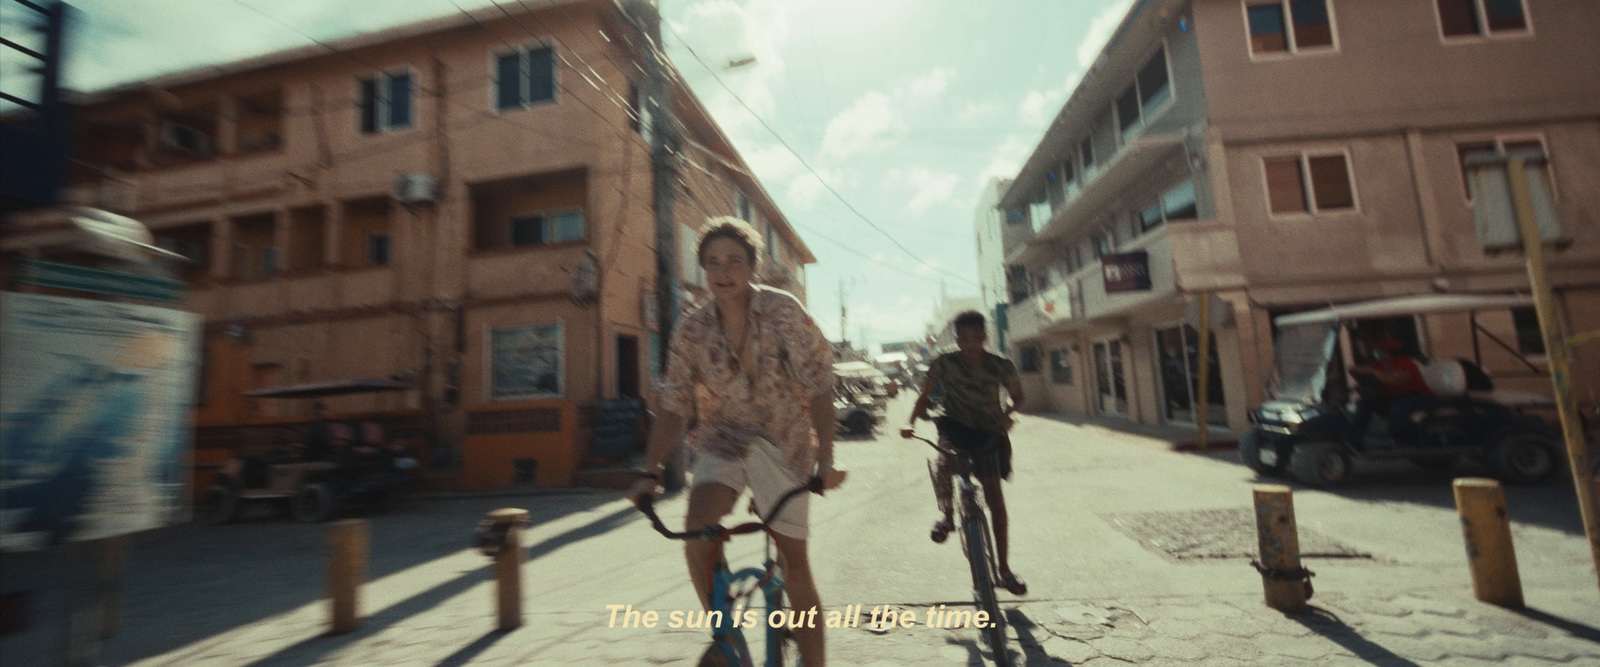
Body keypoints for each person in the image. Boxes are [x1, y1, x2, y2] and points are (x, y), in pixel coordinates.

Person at [627, 216, 846, 667]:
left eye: (733, 261)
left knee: (795, 564)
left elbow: (821, 385)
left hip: (783, 440)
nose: (722, 272)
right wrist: (648, 473)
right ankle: (730, 641)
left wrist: (826, 460)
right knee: (696, 535)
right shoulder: (691, 330)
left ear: (752, 266)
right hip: (723, 438)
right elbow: (673, 403)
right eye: (712, 263)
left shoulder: (782, 311)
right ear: (703, 269)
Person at [903, 311, 1028, 595]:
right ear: (956, 339)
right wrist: (908, 422)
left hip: (989, 430)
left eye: (975, 338)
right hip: (955, 425)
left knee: (995, 498)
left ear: (985, 336)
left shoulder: (1001, 365)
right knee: (944, 458)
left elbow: (1019, 397)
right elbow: (924, 394)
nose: (969, 345)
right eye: (963, 339)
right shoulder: (944, 363)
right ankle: (947, 517)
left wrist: (1008, 415)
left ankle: (1005, 570)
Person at [1347, 335, 1435, 445]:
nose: (1376, 352)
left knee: (1397, 408)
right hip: (1393, 398)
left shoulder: (1406, 363)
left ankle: (1397, 440)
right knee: (1365, 403)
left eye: (1378, 349)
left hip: (1417, 397)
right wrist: (1358, 370)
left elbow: (1393, 380)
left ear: (1387, 351)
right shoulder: (1378, 365)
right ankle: (1355, 438)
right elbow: (1355, 370)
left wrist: (1373, 372)